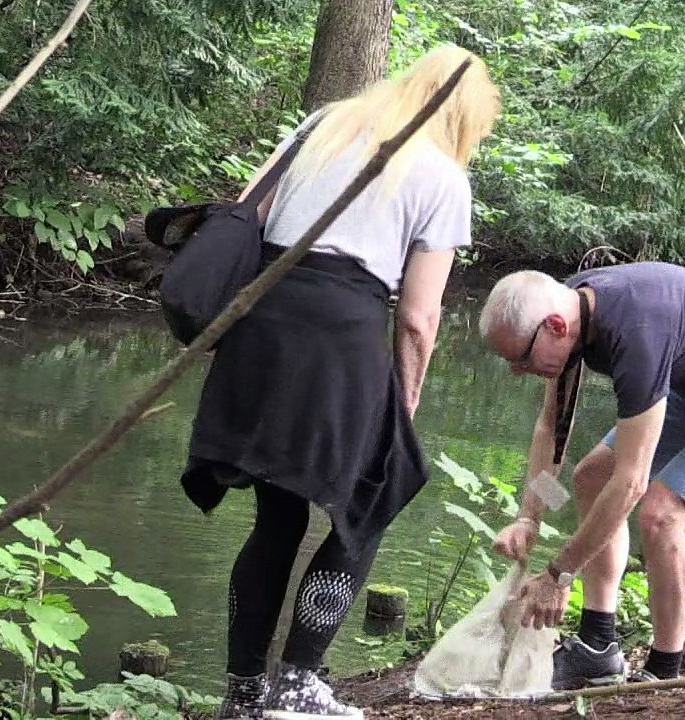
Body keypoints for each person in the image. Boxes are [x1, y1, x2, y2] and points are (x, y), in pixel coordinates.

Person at [174, 46, 501, 719]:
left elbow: (246, 212)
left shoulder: (323, 125)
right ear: (465, 117)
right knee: (368, 506)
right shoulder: (441, 174)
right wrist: (405, 396)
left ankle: (242, 695)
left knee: (278, 514)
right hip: (341, 336)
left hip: (264, 318)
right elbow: (418, 316)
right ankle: (297, 682)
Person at [477, 263, 685, 688]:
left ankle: (663, 674)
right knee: (591, 475)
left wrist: (560, 574)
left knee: (660, 514)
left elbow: (632, 484)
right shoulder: (569, 309)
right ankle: (598, 647)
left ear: (556, 326)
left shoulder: (635, 336)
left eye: (521, 359)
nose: (516, 371)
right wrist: (530, 516)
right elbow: (552, 430)